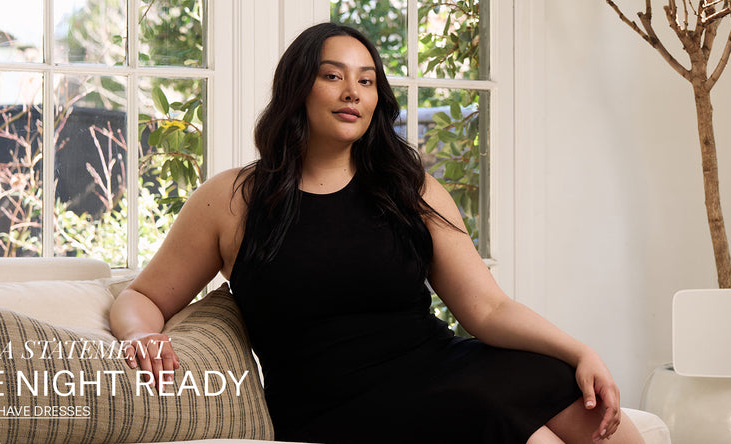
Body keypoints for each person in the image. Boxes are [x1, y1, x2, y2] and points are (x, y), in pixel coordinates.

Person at [110, 22, 645, 444]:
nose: (353, 92)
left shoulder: (409, 187)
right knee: (490, 412)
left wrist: (580, 353)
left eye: (366, 80)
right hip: (332, 404)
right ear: (297, 88)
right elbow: (143, 295)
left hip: (436, 365)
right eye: (333, 76)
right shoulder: (232, 198)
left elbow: (488, 310)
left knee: (570, 390)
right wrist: (140, 335)